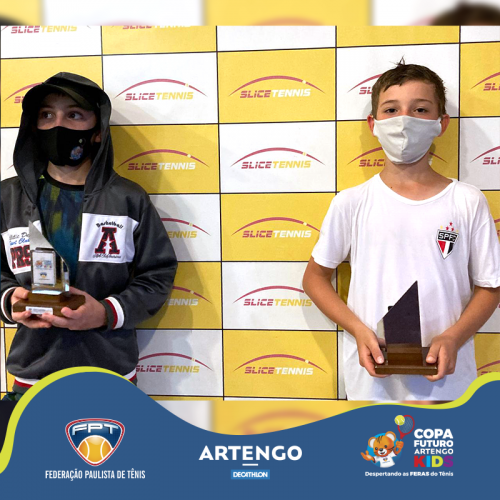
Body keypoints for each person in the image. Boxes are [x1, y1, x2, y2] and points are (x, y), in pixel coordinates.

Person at [303, 63, 500, 401]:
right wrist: (359, 330)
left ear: (441, 124)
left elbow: (491, 286)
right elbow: (314, 278)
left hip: (448, 381)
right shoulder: (352, 202)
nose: (404, 120)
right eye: (391, 110)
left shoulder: (467, 201)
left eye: (420, 109)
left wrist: (453, 337)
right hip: (372, 382)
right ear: (374, 124)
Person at [1, 72, 178, 400]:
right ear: (33, 126)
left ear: (98, 131)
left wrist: (107, 312)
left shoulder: (128, 199)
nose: (58, 125)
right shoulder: (7, 198)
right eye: (46, 115)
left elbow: (157, 275)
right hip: (32, 374)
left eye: (74, 115)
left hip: (110, 372)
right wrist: (9, 299)